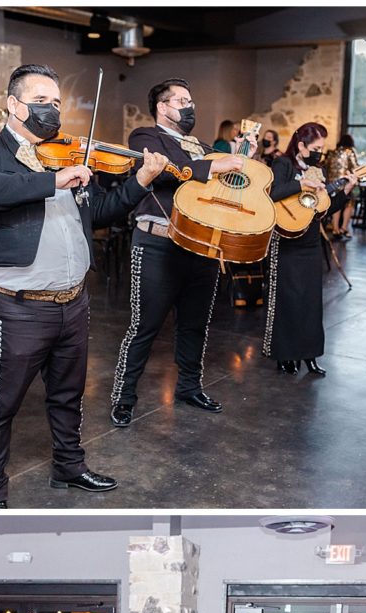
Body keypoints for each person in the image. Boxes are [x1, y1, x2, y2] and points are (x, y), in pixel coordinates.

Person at [0, 63, 168, 508]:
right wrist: (52, 181)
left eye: (56, 103)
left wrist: (140, 182)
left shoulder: (70, 155)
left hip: (73, 301)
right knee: (2, 403)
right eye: (40, 101)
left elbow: (106, 210)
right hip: (19, 306)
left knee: (69, 396)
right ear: (14, 105)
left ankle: (68, 468)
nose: (51, 110)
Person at [109, 77, 255, 428]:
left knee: (194, 324)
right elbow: (167, 171)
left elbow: (224, 186)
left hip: (201, 245)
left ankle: (189, 387)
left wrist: (238, 157)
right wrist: (215, 165)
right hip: (158, 243)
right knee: (145, 326)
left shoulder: (203, 145)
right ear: (162, 106)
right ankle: (124, 397)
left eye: (191, 101)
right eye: (182, 101)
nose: (190, 107)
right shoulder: (145, 136)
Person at [263, 122, 358, 378]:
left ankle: (310, 355)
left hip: (310, 242)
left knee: (311, 302)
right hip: (284, 241)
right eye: (316, 148)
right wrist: (301, 185)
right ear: (301, 145)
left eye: (322, 148)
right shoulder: (283, 164)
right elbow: (270, 194)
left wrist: (345, 192)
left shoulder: (316, 169)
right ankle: (285, 355)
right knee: (286, 301)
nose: (320, 153)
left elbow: (323, 208)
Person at [325, 133, 359, 238]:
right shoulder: (350, 152)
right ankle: (344, 228)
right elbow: (354, 167)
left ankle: (335, 229)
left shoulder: (332, 152)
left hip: (332, 183)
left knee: (336, 203)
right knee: (349, 205)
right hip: (345, 181)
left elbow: (325, 166)